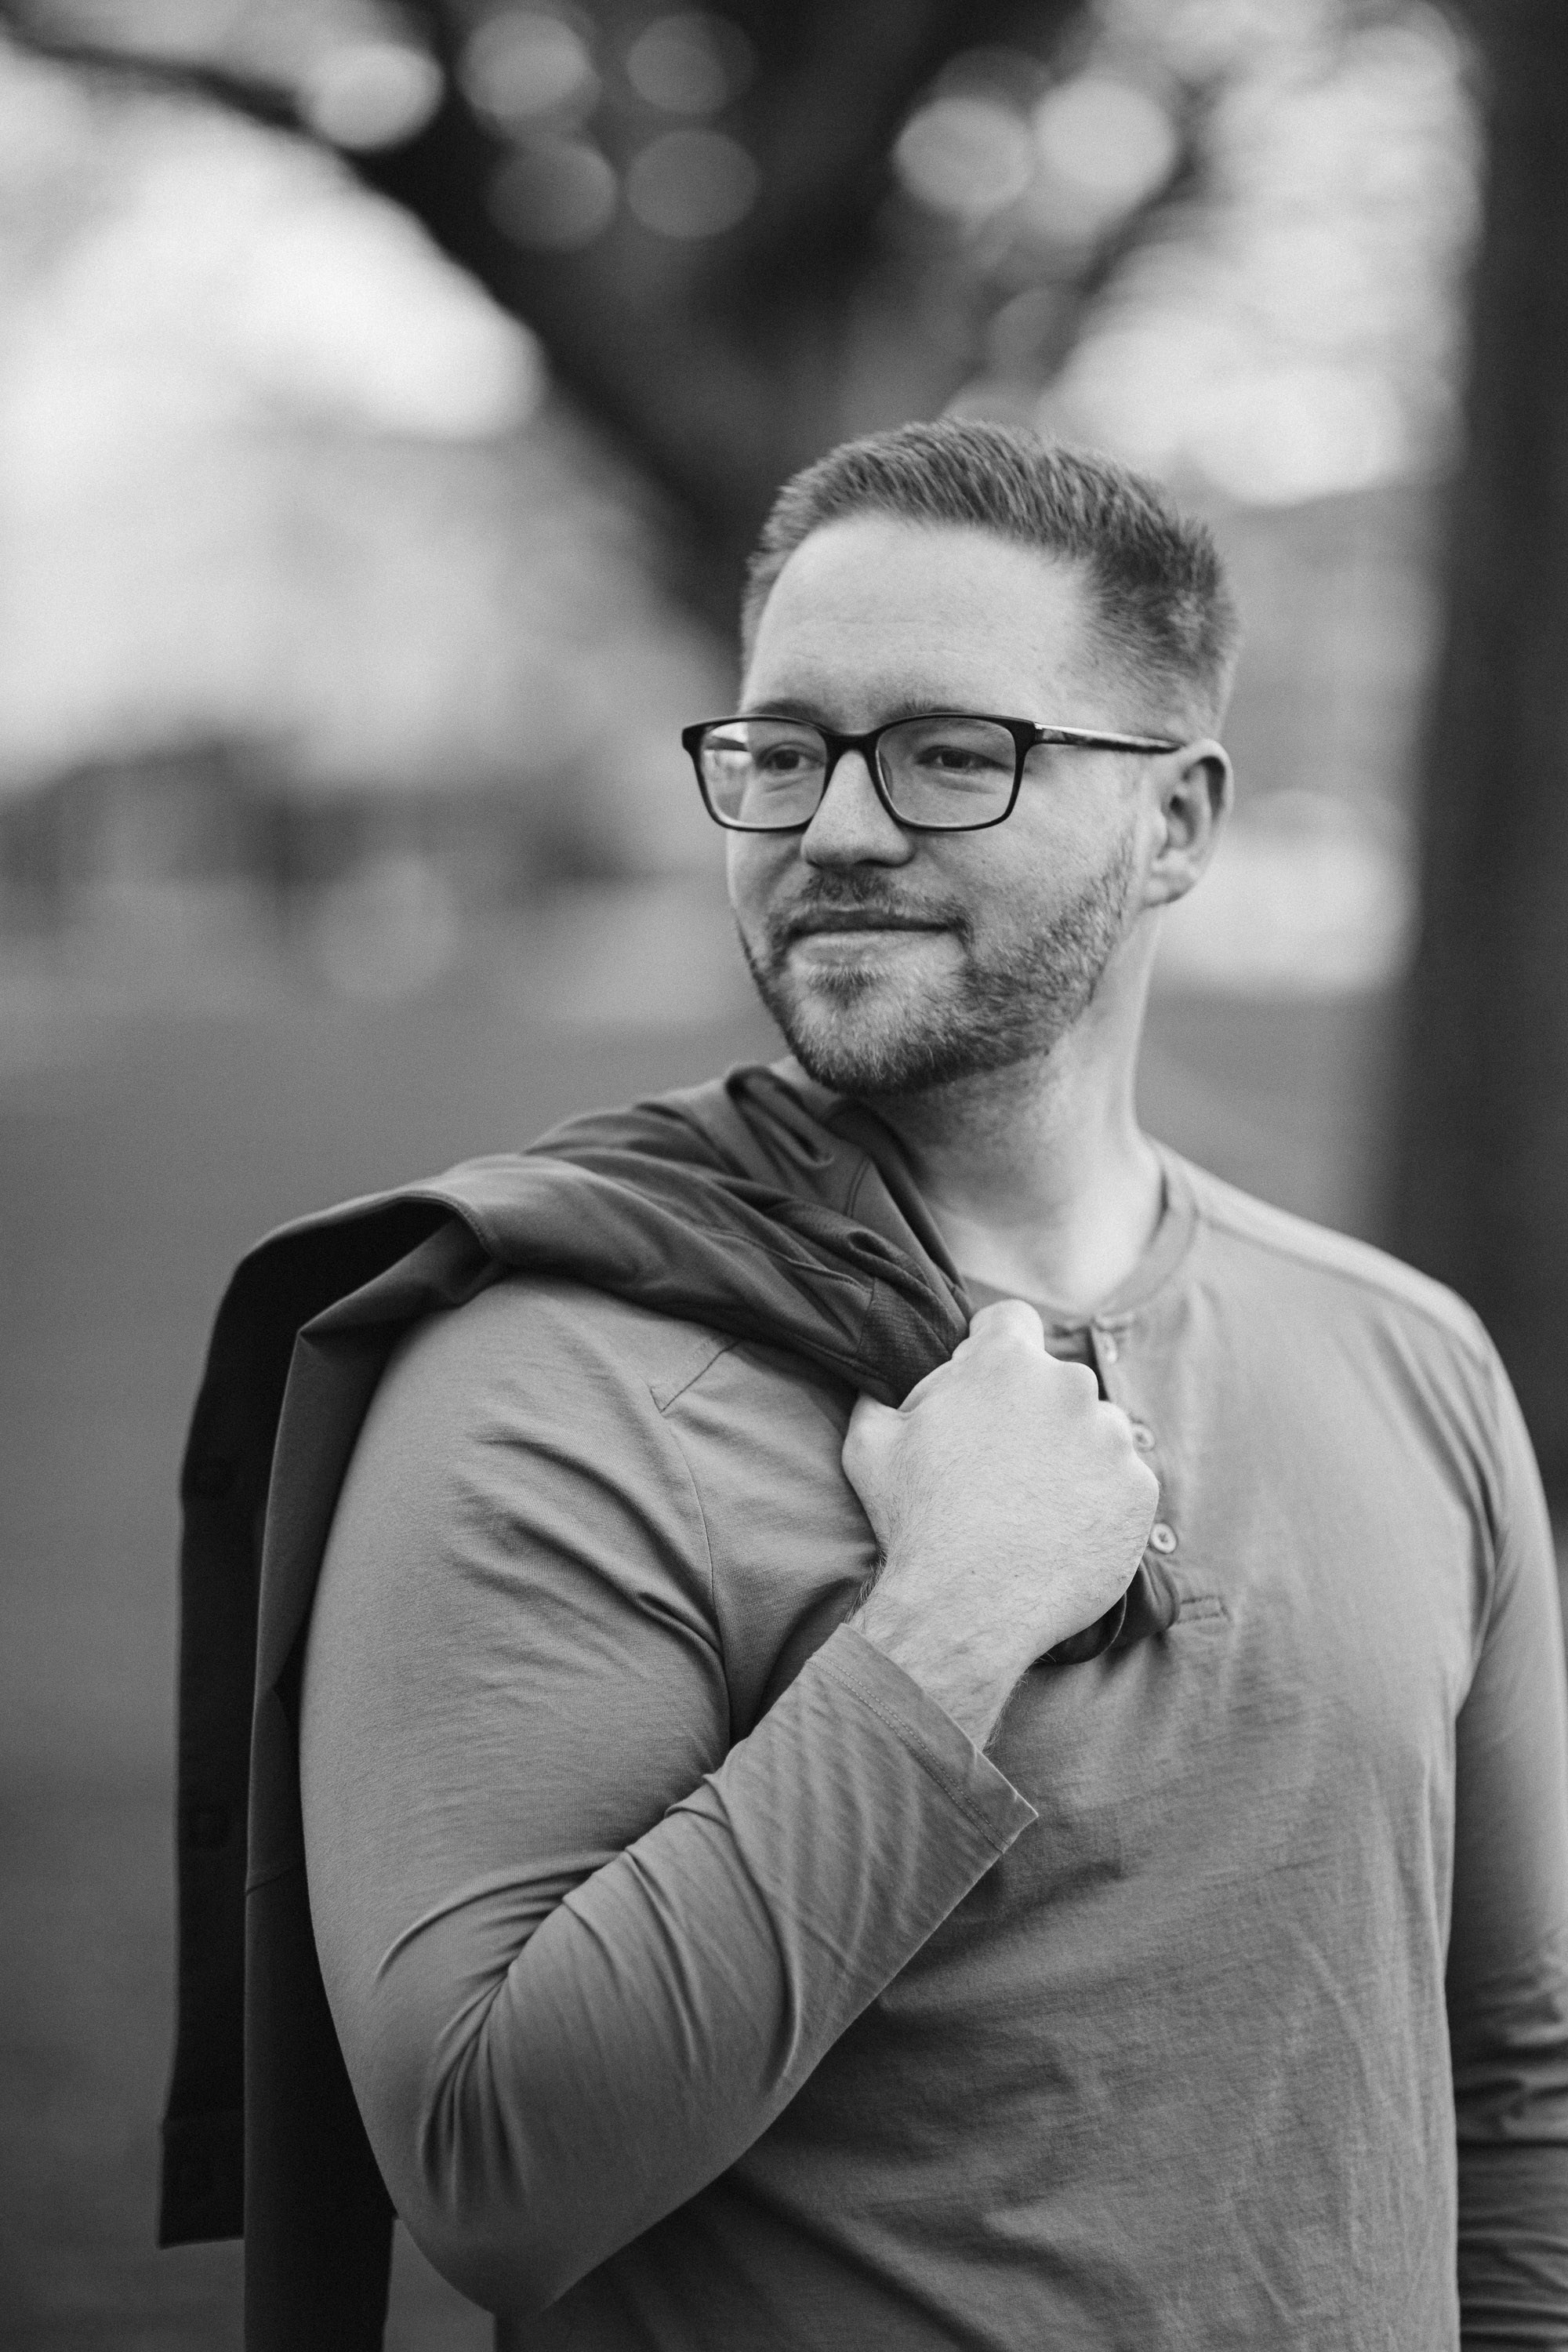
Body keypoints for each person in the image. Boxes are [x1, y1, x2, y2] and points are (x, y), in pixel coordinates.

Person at [164, 423, 1568, 2350]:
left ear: (1176, 821)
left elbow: (1507, 2082)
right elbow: (494, 2172)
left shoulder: (1403, 1354)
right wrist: (950, 1623)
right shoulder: (539, 1378)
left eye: (947, 751)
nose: (832, 825)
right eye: (785, 747)